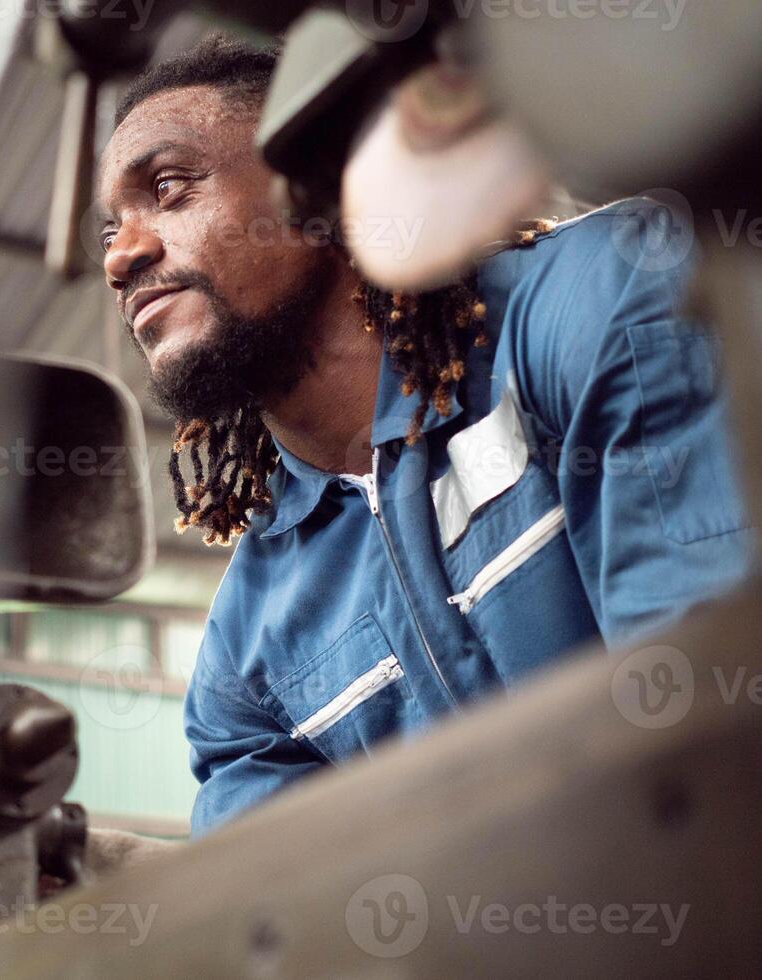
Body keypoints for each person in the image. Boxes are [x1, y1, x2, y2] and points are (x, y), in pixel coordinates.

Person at [96, 36, 755, 836]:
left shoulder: (600, 303)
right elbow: (288, 930)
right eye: (108, 231)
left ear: (320, 180)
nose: (122, 255)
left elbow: (711, 713)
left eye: (168, 187)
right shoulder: (245, 657)